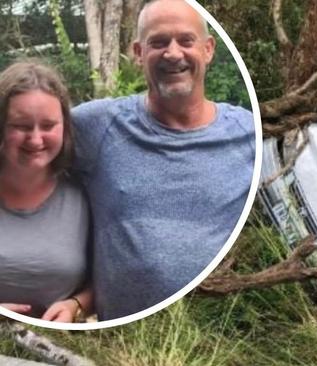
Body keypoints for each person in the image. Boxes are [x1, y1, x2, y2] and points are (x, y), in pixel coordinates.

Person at [72, 0, 255, 320]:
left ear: (208, 49)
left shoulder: (248, 133)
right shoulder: (97, 125)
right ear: (138, 52)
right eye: (158, 43)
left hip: (228, 331)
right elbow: (19, 149)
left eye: (186, 40)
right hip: (127, 340)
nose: (173, 54)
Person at [0, 61, 93, 322]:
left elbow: (111, 274)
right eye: (21, 126)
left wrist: (77, 305)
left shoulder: (85, 192)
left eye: (48, 125)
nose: (36, 139)